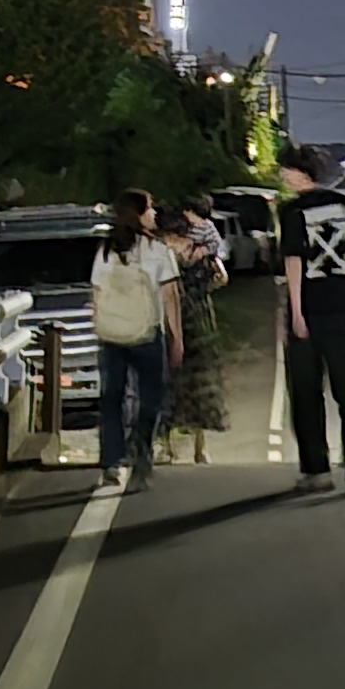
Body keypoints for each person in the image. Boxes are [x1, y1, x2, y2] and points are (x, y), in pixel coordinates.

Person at [276, 146, 345, 495]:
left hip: (311, 311)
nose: (281, 176)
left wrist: (296, 314)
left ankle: (318, 470)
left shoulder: (292, 211)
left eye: (284, 170)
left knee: (306, 392)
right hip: (342, 309)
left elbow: (294, 264)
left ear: (298, 172)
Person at [89, 189, 182, 489]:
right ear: (139, 214)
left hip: (112, 335)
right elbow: (170, 297)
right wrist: (176, 338)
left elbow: (97, 294)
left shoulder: (106, 249)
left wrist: (101, 325)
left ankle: (112, 462)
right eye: (150, 208)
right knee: (151, 399)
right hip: (147, 334)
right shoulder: (157, 249)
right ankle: (141, 455)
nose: (154, 214)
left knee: (112, 399)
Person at [166, 195, 231, 462]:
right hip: (199, 314)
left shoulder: (165, 252)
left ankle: (168, 445)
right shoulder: (207, 248)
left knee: (170, 378)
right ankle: (199, 446)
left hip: (170, 315)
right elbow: (222, 277)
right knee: (201, 378)